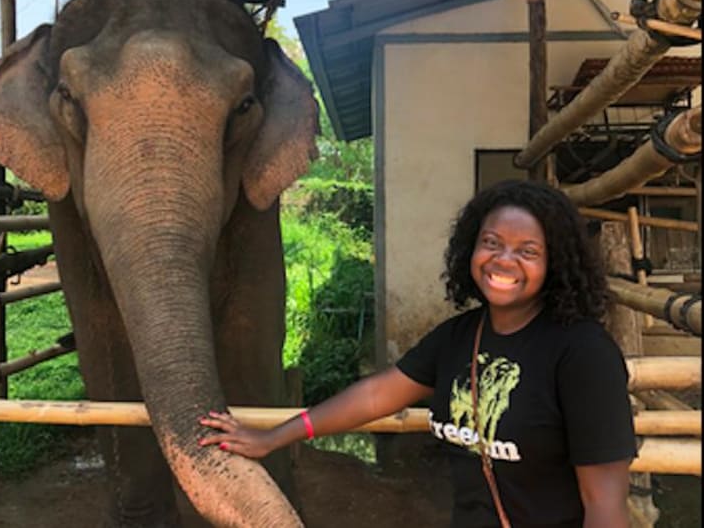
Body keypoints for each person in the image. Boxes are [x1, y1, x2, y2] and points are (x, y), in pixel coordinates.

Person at [198, 179, 637, 527]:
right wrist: (273, 437)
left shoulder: (582, 355)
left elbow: (605, 505)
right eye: (491, 243)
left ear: (555, 263)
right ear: (471, 248)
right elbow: (375, 397)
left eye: (528, 251)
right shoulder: (459, 337)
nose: (503, 260)